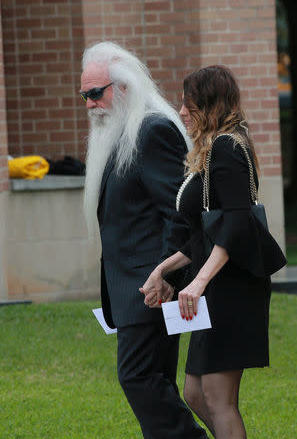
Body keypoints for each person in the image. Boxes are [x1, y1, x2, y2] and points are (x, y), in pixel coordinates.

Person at [140, 66, 287, 439]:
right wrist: (164, 269)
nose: (182, 111)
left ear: (209, 104)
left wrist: (199, 282)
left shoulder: (226, 147)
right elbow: (207, 236)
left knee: (218, 398)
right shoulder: (214, 147)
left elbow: (237, 224)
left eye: (188, 103)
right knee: (195, 393)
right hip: (216, 285)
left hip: (233, 287)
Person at [81, 41, 208, 438]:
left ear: (124, 88)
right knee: (150, 379)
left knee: (138, 377)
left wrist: (168, 274)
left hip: (152, 284)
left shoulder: (151, 130)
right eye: (84, 95)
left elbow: (180, 211)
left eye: (95, 93)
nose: (89, 104)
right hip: (134, 286)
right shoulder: (120, 133)